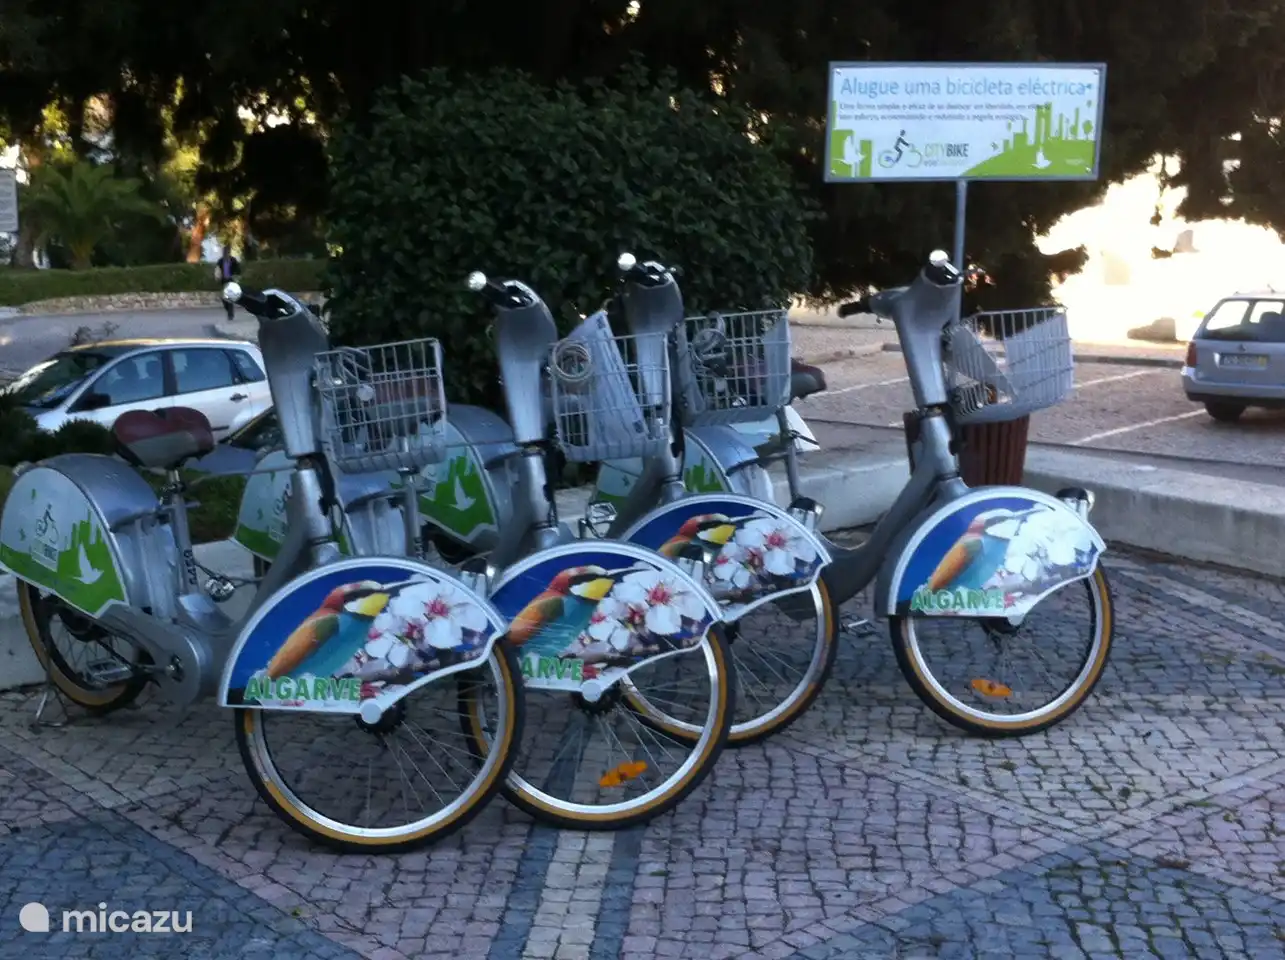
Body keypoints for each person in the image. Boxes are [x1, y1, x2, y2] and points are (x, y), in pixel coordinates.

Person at [214, 248, 241, 320]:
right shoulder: (221, 261)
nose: (226, 254)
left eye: (227, 252)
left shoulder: (233, 260)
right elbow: (217, 270)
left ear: (229, 253)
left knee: (229, 298)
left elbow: (238, 270)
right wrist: (217, 277)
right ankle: (229, 311)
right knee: (223, 298)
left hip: (231, 281)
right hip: (223, 281)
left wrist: (235, 277)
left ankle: (230, 314)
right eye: (224, 252)